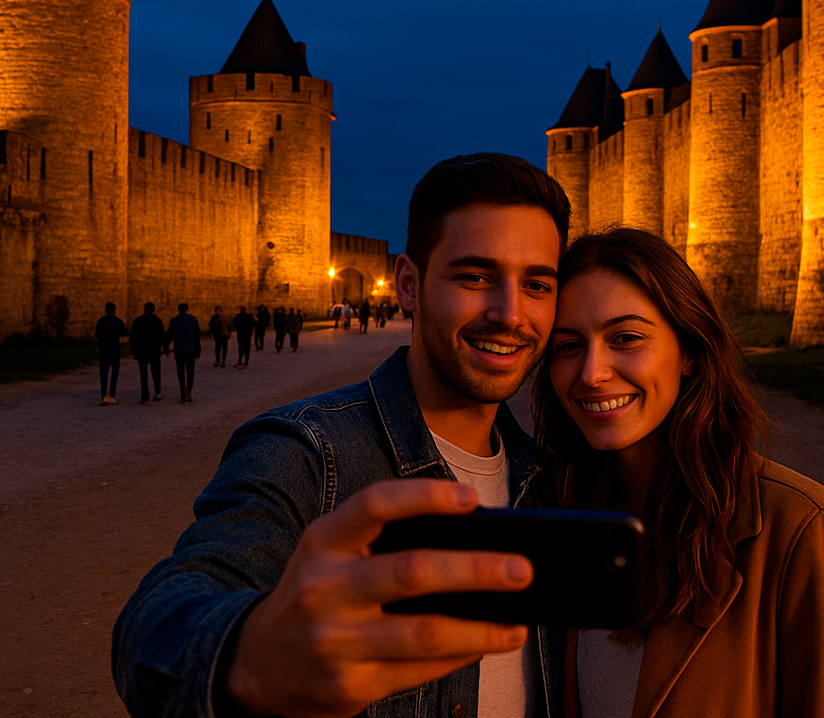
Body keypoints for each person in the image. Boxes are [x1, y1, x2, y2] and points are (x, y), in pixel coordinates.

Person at [113, 153, 572, 718]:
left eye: (537, 285)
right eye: (475, 277)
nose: (509, 313)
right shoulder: (306, 454)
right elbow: (158, 622)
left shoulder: (549, 482)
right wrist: (251, 657)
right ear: (409, 283)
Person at [534, 227, 824, 718]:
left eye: (626, 338)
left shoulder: (805, 532)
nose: (592, 372)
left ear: (690, 350)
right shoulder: (572, 518)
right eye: (569, 345)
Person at [129, 302, 167, 403]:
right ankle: (157, 392)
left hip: (142, 351)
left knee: (143, 374)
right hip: (154, 350)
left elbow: (133, 336)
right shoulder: (157, 320)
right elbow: (162, 335)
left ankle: (145, 395)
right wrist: (165, 348)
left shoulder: (138, 321)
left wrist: (134, 349)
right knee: (156, 372)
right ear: (153, 310)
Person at [164, 303, 202, 403]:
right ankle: (188, 391)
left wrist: (166, 348)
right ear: (187, 309)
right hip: (191, 349)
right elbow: (197, 335)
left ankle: (182, 393)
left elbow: (169, 337)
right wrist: (198, 350)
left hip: (179, 350)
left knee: (180, 372)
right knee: (190, 372)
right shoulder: (193, 319)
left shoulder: (174, 320)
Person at [95, 302, 128, 406]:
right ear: (114, 310)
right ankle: (112, 395)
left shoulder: (101, 321)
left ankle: (104, 395)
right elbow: (125, 332)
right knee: (114, 373)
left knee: (103, 374)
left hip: (104, 349)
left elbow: (97, 334)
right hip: (114, 349)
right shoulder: (117, 321)